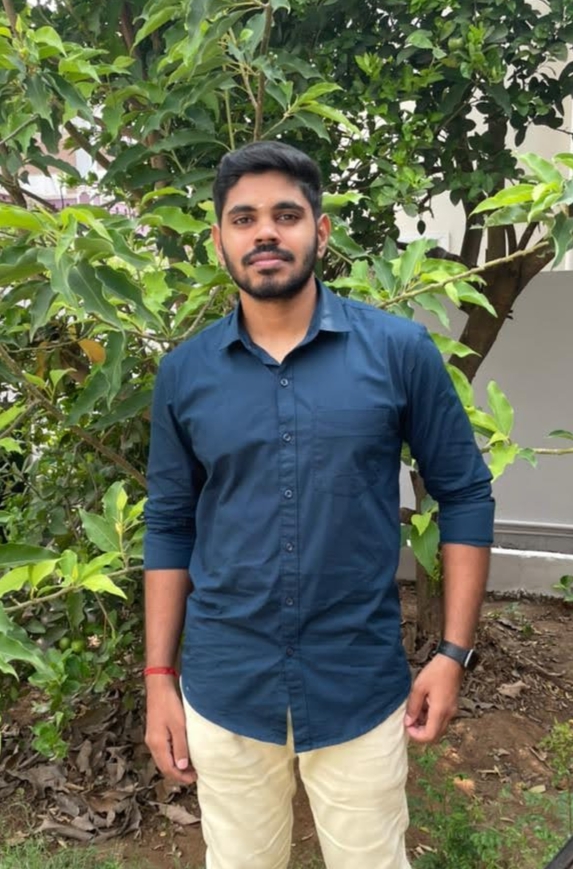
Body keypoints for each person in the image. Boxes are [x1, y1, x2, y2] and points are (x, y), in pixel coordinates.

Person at [143, 141, 494, 869]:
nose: (265, 233)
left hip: (356, 684)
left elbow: (462, 493)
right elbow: (170, 525)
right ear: (219, 240)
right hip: (226, 686)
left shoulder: (398, 351)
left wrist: (452, 654)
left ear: (320, 231)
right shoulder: (184, 373)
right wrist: (158, 680)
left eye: (286, 215)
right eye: (243, 219)